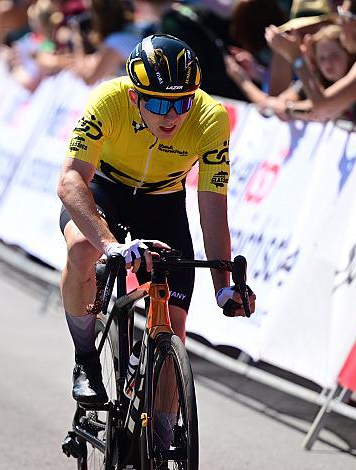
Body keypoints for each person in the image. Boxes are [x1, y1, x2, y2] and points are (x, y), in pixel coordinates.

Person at [57, 34, 256, 405]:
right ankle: (85, 360)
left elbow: (213, 207)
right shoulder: (110, 100)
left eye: (182, 103)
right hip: (105, 192)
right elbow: (70, 181)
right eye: (158, 104)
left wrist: (223, 285)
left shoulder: (210, 118)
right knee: (84, 249)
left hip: (163, 203)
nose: (172, 116)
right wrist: (111, 245)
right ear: (135, 96)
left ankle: (162, 450)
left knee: (173, 325)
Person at [265, 0, 356, 130]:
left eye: (341, 16)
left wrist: (296, 57)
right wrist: (288, 108)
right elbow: (327, 105)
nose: (338, 22)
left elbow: (322, 106)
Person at [226, 24, 356, 119]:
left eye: (334, 55)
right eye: (322, 58)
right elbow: (275, 104)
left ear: (349, 54)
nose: (328, 63)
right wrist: (241, 78)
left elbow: (321, 107)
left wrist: (297, 57)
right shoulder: (314, 80)